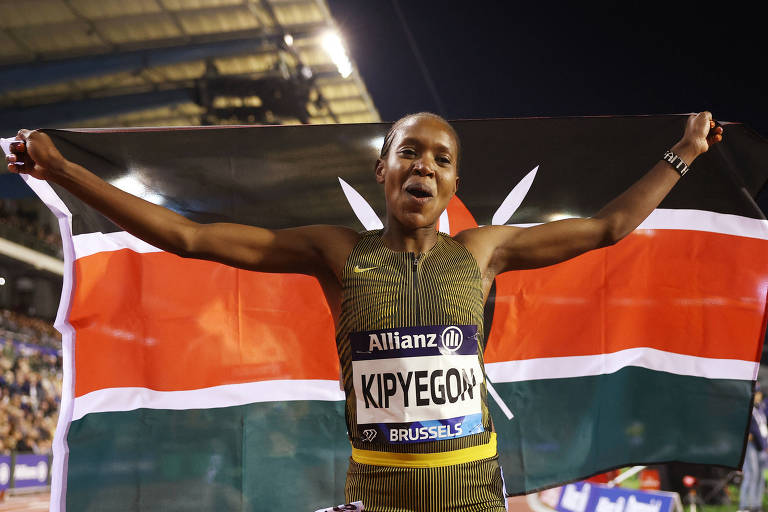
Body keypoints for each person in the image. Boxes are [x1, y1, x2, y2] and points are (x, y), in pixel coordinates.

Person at [6, 112, 723, 511]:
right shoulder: (334, 251)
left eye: (441, 159)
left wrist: (684, 153)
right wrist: (67, 172)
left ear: (453, 183)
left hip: (472, 498)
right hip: (376, 501)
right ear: (382, 170)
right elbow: (191, 237)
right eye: (409, 152)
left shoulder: (483, 252)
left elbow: (605, 229)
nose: (425, 167)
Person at [740, 383, 768, 512]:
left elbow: (761, 428)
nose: (757, 395)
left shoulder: (760, 408)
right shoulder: (746, 407)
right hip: (751, 446)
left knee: (759, 476)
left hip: (761, 446)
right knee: (751, 474)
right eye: (755, 393)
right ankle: (745, 506)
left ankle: (756, 505)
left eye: (758, 393)